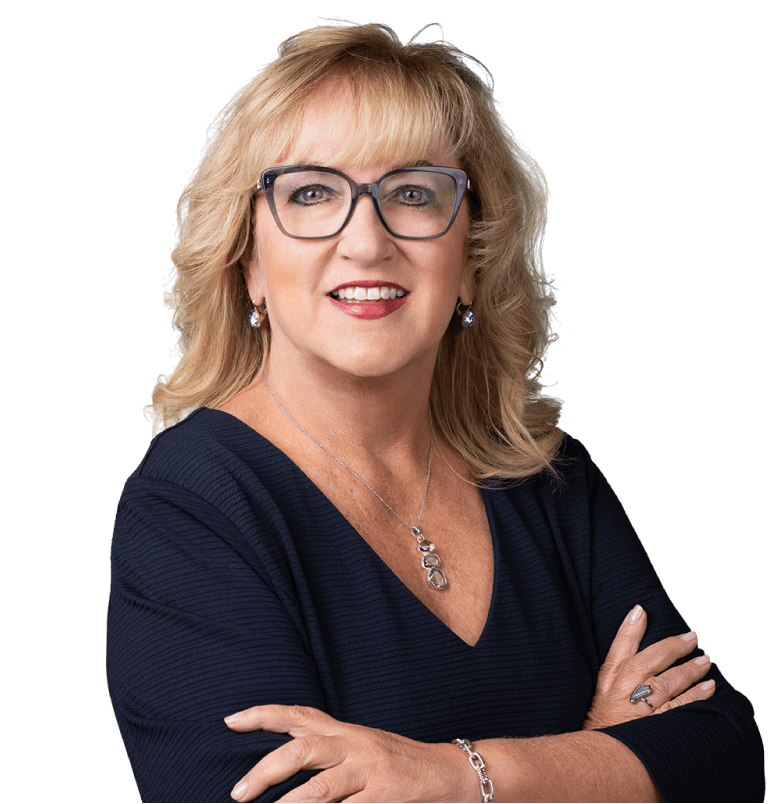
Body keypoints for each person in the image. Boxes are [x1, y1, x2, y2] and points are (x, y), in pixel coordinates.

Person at [106, 21, 764, 803]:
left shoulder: (545, 475)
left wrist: (450, 777)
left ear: (471, 260)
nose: (365, 241)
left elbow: (722, 754)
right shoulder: (191, 504)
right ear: (248, 260)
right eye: (311, 193)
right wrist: (595, 753)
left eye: (413, 194)